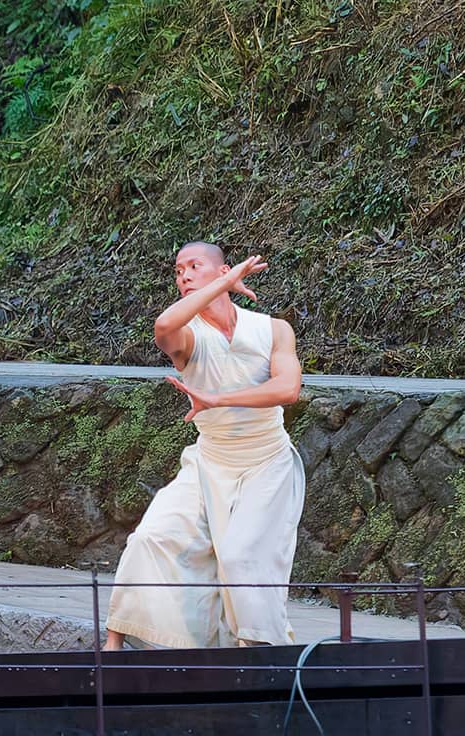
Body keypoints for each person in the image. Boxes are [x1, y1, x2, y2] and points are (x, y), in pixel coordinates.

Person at [104, 243, 305, 651]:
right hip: (210, 459)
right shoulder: (188, 335)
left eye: (195, 266)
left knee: (241, 558)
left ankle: (257, 651)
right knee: (151, 537)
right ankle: (113, 644)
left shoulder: (273, 330)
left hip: (267, 461)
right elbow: (162, 326)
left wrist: (219, 399)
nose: (184, 276)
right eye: (178, 271)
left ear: (223, 269)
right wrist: (223, 285)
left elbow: (288, 389)